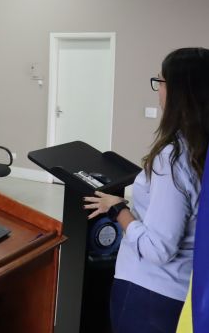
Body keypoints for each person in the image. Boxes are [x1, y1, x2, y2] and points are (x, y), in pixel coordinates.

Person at [84, 47, 209, 333]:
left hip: (151, 294)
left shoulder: (174, 158)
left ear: (179, 90)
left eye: (160, 81)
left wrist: (118, 209)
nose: (158, 90)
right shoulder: (200, 150)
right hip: (186, 290)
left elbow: (158, 249)